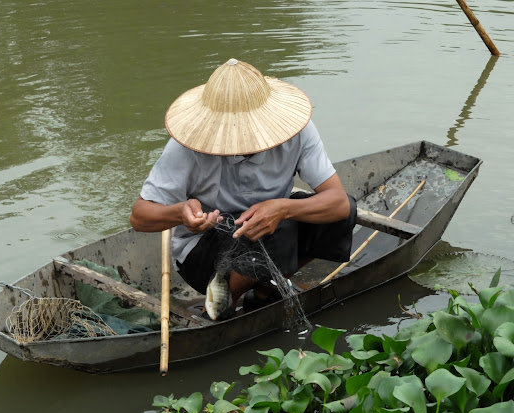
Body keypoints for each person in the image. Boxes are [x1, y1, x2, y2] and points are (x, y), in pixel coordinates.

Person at [130, 58, 356, 318]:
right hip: (205, 252)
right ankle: (220, 306)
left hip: (274, 230)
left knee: (341, 214)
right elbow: (139, 216)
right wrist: (180, 212)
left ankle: (265, 293)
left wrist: (283, 207)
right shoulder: (187, 147)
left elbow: (338, 203)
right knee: (274, 232)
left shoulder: (296, 131)